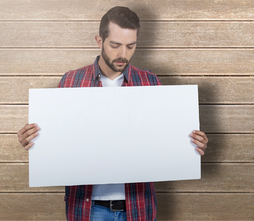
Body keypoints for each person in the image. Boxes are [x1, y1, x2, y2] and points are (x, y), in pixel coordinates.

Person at [17, 6, 209, 221]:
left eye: (130, 46)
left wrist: (190, 144)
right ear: (99, 41)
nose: (122, 55)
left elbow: (163, 140)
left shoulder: (150, 82)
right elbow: (59, 140)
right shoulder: (71, 82)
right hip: (87, 208)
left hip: (137, 207)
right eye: (115, 45)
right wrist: (34, 139)